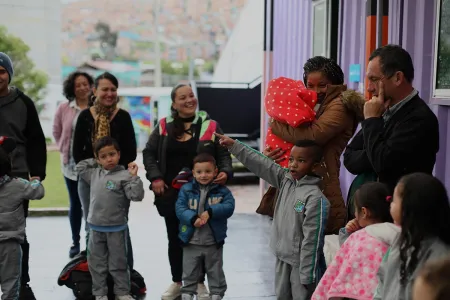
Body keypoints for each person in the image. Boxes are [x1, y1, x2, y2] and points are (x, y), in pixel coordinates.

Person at [142, 84, 233, 300]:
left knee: (200, 240)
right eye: (182, 97)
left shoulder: (210, 125)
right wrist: (155, 177)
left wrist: (226, 173)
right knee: (175, 239)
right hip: (171, 195)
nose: (189, 100)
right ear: (174, 104)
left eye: (191, 95)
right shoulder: (164, 125)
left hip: (202, 195)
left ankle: (200, 283)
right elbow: (148, 152)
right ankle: (177, 282)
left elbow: (224, 155)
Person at [216, 134, 329, 300]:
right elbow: (262, 164)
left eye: (301, 161)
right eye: (291, 159)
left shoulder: (315, 199)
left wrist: (307, 275)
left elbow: (312, 240)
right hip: (282, 257)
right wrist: (235, 146)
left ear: (316, 165)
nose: (293, 165)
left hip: (302, 266)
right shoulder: (286, 180)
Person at [265, 56, 365, 234]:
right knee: (296, 234)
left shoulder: (340, 105)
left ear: (335, 84)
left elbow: (312, 136)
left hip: (322, 187)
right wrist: (274, 151)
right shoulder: (312, 105)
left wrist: (275, 124)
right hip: (302, 188)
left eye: (322, 85)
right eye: (310, 85)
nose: (316, 91)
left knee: (313, 244)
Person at [344, 45, 439, 206]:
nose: (369, 88)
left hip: (402, 219)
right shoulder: (383, 110)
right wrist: (375, 151)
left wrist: (372, 121)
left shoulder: (419, 118)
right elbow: (349, 157)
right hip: (372, 218)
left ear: (397, 78)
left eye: (374, 79)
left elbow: (383, 165)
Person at [72, 72, 137, 269]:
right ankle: (95, 273)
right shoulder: (85, 116)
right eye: (105, 89)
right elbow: (77, 154)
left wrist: (112, 172)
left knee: (120, 225)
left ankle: (125, 274)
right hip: (89, 181)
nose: (109, 93)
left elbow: (130, 151)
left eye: (113, 89)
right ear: (95, 91)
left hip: (118, 182)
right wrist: (97, 174)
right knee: (91, 224)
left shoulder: (123, 117)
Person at [0, 52, 47, 299]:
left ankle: (21, 282)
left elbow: (37, 140)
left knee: (17, 233)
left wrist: (37, 174)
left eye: (1, 71)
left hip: (16, 175)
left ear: (9, 74)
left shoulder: (23, 102)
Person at [76, 136, 144, 300]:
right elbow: (79, 166)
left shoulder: (125, 176)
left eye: (112, 154)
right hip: (95, 228)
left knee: (119, 263)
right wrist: (96, 161)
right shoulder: (93, 174)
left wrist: (134, 177)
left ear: (119, 154)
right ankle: (100, 293)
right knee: (96, 264)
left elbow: (136, 195)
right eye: (104, 156)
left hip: (117, 229)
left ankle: (122, 292)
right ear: (98, 158)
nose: (109, 159)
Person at [312, 182, 398, 300]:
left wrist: (347, 233)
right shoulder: (400, 235)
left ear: (364, 212)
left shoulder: (358, 238)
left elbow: (342, 261)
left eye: (355, 211)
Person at [374, 173, 450, 300]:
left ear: (410, 206)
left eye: (394, 200)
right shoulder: (399, 242)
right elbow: (381, 283)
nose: (390, 205)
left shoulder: (440, 255)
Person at [176, 153, 235, 300]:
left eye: (208, 171)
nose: (203, 175)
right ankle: (187, 293)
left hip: (213, 241)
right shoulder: (186, 190)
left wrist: (211, 211)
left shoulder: (222, 191)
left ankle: (216, 293)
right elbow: (180, 208)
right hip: (191, 241)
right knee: (189, 270)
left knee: (215, 270)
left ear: (215, 172)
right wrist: (192, 218)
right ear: (193, 173)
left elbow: (229, 206)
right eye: (199, 172)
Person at [53, 71, 94, 258]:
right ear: (72, 88)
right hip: (69, 165)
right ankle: (75, 241)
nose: (83, 87)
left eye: (85, 84)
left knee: (91, 205)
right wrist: (63, 148)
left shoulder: (96, 107)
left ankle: (91, 241)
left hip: (92, 166)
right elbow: (56, 130)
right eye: (78, 85)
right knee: (75, 204)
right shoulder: (64, 108)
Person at [0, 136, 45, 300]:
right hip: (10, 245)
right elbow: (38, 193)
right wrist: (35, 181)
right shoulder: (18, 185)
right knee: (11, 285)